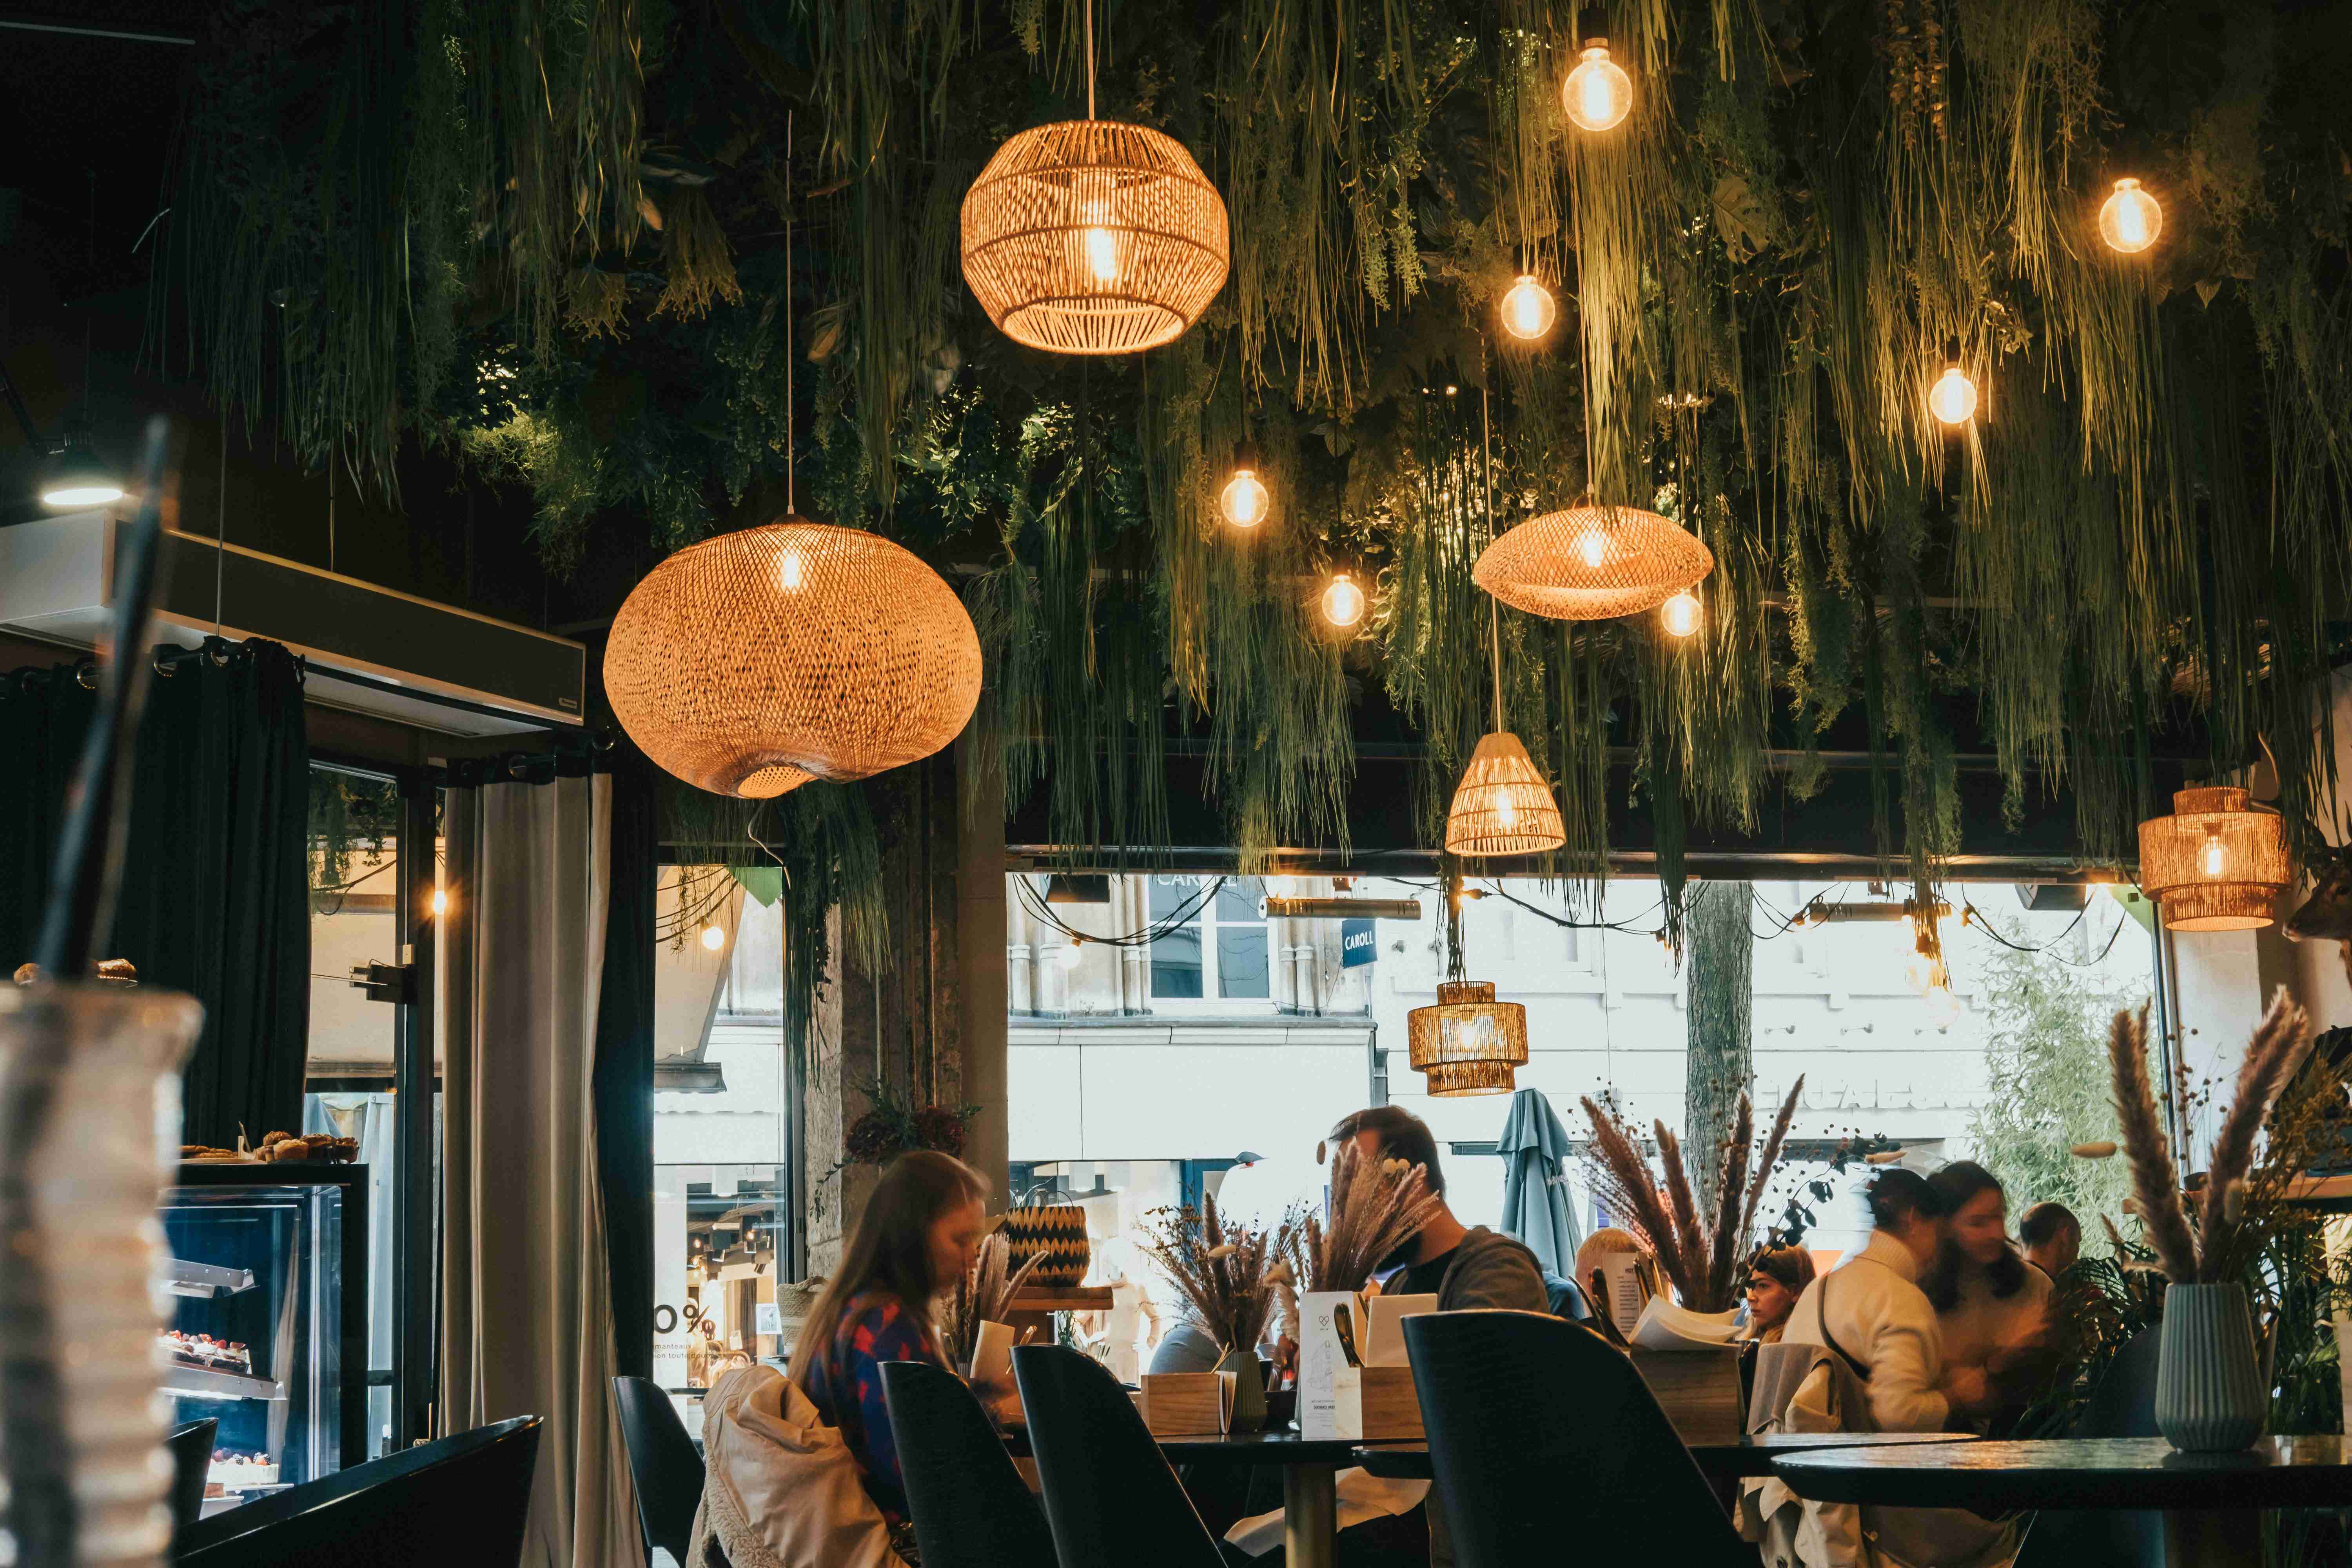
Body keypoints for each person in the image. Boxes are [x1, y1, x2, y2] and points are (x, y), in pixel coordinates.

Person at [1779, 1169, 2015, 1568]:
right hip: (1879, 1525)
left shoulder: (1817, 1292)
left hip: (1805, 1518)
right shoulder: (1900, 1299)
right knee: (2011, 1535)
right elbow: (1898, 1415)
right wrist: (1957, 1395)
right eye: (1939, 1231)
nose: (1940, 1247)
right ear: (1911, 1219)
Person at [788, 1151, 989, 1555]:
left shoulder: (851, 1310)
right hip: (892, 1548)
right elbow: (920, 1474)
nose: (972, 1258)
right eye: (960, 1239)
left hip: (835, 1541)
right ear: (912, 1233)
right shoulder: (886, 1325)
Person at [1330, 1106, 1550, 1314]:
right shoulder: (1397, 1287)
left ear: (1412, 1182)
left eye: (1361, 1190)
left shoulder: (1501, 1272)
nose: (1351, 1214)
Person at [1923, 1162, 2053, 1434]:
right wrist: (1996, 1365)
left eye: (1999, 1216)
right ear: (1943, 1227)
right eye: (1978, 1223)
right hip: (1937, 1453)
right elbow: (1906, 1408)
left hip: (2027, 1446)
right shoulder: (1914, 1296)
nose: (1996, 1233)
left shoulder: (2034, 1284)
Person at [1739, 1246, 1816, 1343]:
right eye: (1749, 1285)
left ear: (1796, 1292)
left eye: (1763, 1286)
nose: (1750, 1297)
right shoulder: (1753, 1340)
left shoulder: (1797, 1348)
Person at [2018, 1200, 2081, 1280]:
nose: (2078, 1259)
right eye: (2078, 1241)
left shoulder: (2010, 1282)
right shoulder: (2055, 1289)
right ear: (2066, 1235)